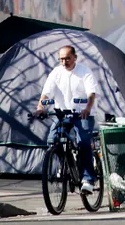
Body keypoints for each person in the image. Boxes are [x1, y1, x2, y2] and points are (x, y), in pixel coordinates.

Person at [36, 45, 100, 194]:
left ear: (75, 58)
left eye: (67, 58)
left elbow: (91, 94)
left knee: (83, 142)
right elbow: (46, 93)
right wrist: (40, 108)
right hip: (63, 114)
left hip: (82, 114)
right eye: (62, 59)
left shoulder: (84, 71)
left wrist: (87, 108)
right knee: (52, 139)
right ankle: (63, 163)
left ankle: (88, 179)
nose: (64, 62)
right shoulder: (56, 73)